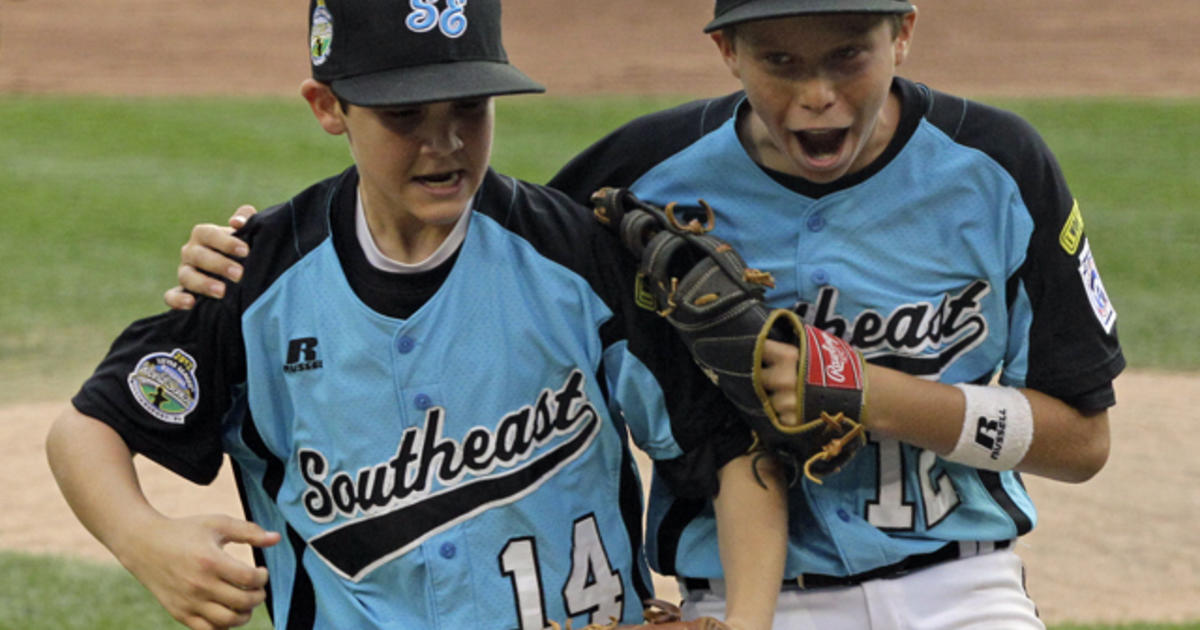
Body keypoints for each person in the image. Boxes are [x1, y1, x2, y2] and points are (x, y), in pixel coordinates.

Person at [168, 0, 1127, 628]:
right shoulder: (641, 175)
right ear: (726, 51)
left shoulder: (998, 167)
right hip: (748, 599)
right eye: (780, 59)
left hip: (962, 585)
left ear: (904, 34)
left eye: (851, 54)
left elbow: (1081, 441)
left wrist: (862, 390)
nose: (819, 93)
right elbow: (474, 249)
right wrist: (244, 262)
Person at [46, 1, 787, 629]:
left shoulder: (575, 256)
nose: (445, 142)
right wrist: (145, 540)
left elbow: (732, 451)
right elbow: (86, 428)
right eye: (404, 114)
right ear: (327, 106)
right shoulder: (257, 278)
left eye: (470, 105)